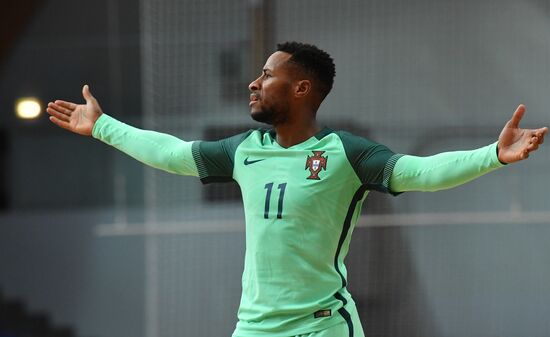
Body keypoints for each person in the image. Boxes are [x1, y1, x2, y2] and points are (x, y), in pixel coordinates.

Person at [47, 42, 547, 337]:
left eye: (266, 75)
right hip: (255, 327)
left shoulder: (346, 154)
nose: (253, 83)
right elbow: (173, 154)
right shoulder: (245, 150)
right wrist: (104, 126)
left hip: (321, 326)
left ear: (302, 89)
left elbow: (421, 172)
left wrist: (493, 156)